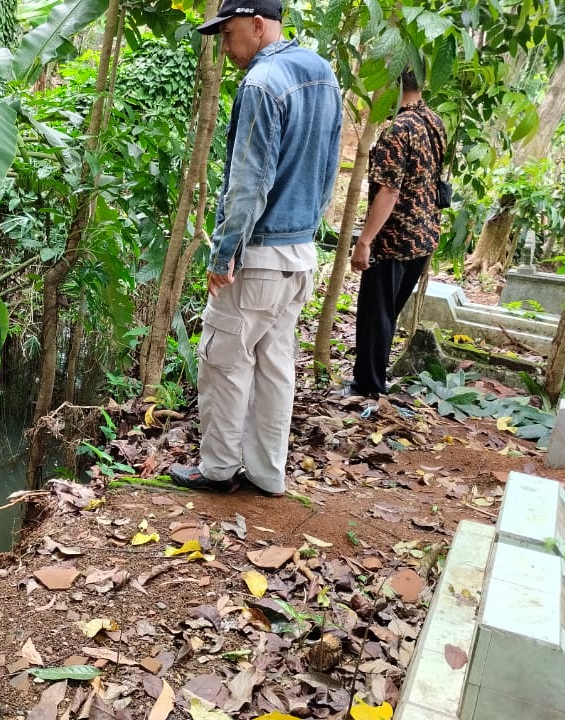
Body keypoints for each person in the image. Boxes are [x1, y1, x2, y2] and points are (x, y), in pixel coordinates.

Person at [170, 0, 342, 497]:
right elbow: (329, 168)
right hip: (299, 256)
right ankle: (268, 474)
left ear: (257, 25)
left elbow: (248, 183)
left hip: (258, 256)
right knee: (275, 367)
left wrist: (223, 254)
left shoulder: (261, 83)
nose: (225, 47)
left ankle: (219, 469)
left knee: (224, 362)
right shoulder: (323, 73)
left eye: (228, 34)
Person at [349, 70, 447, 398]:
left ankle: (369, 389)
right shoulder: (434, 121)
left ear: (391, 85)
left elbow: (389, 190)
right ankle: (373, 383)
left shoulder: (398, 129)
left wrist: (365, 241)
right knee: (387, 314)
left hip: (393, 239)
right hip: (423, 235)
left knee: (375, 316)